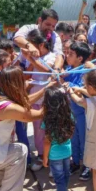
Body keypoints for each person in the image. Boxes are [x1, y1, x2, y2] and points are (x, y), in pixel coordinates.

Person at [22, 29, 56, 172]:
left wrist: (31, 59)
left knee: (49, 129)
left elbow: (46, 70)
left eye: (32, 46)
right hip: (35, 100)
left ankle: (52, 156)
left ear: (41, 45)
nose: (30, 49)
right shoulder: (34, 58)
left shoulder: (51, 57)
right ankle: (41, 155)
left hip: (47, 100)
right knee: (38, 130)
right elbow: (29, 74)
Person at [62, 41, 92, 180]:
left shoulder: (85, 72)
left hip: (83, 113)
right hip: (71, 112)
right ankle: (75, 162)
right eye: (67, 53)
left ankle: (87, 165)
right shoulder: (69, 69)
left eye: (71, 54)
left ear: (80, 58)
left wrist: (70, 85)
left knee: (84, 140)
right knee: (73, 138)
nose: (67, 56)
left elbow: (83, 92)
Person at [42, 86, 75, 191]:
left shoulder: (47, 119)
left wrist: (45, 157)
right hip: (67, 151)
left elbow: (47, 141)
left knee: (59, 179)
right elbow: (71, 132)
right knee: (66, 175)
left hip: (55, 155)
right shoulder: (68, 114)